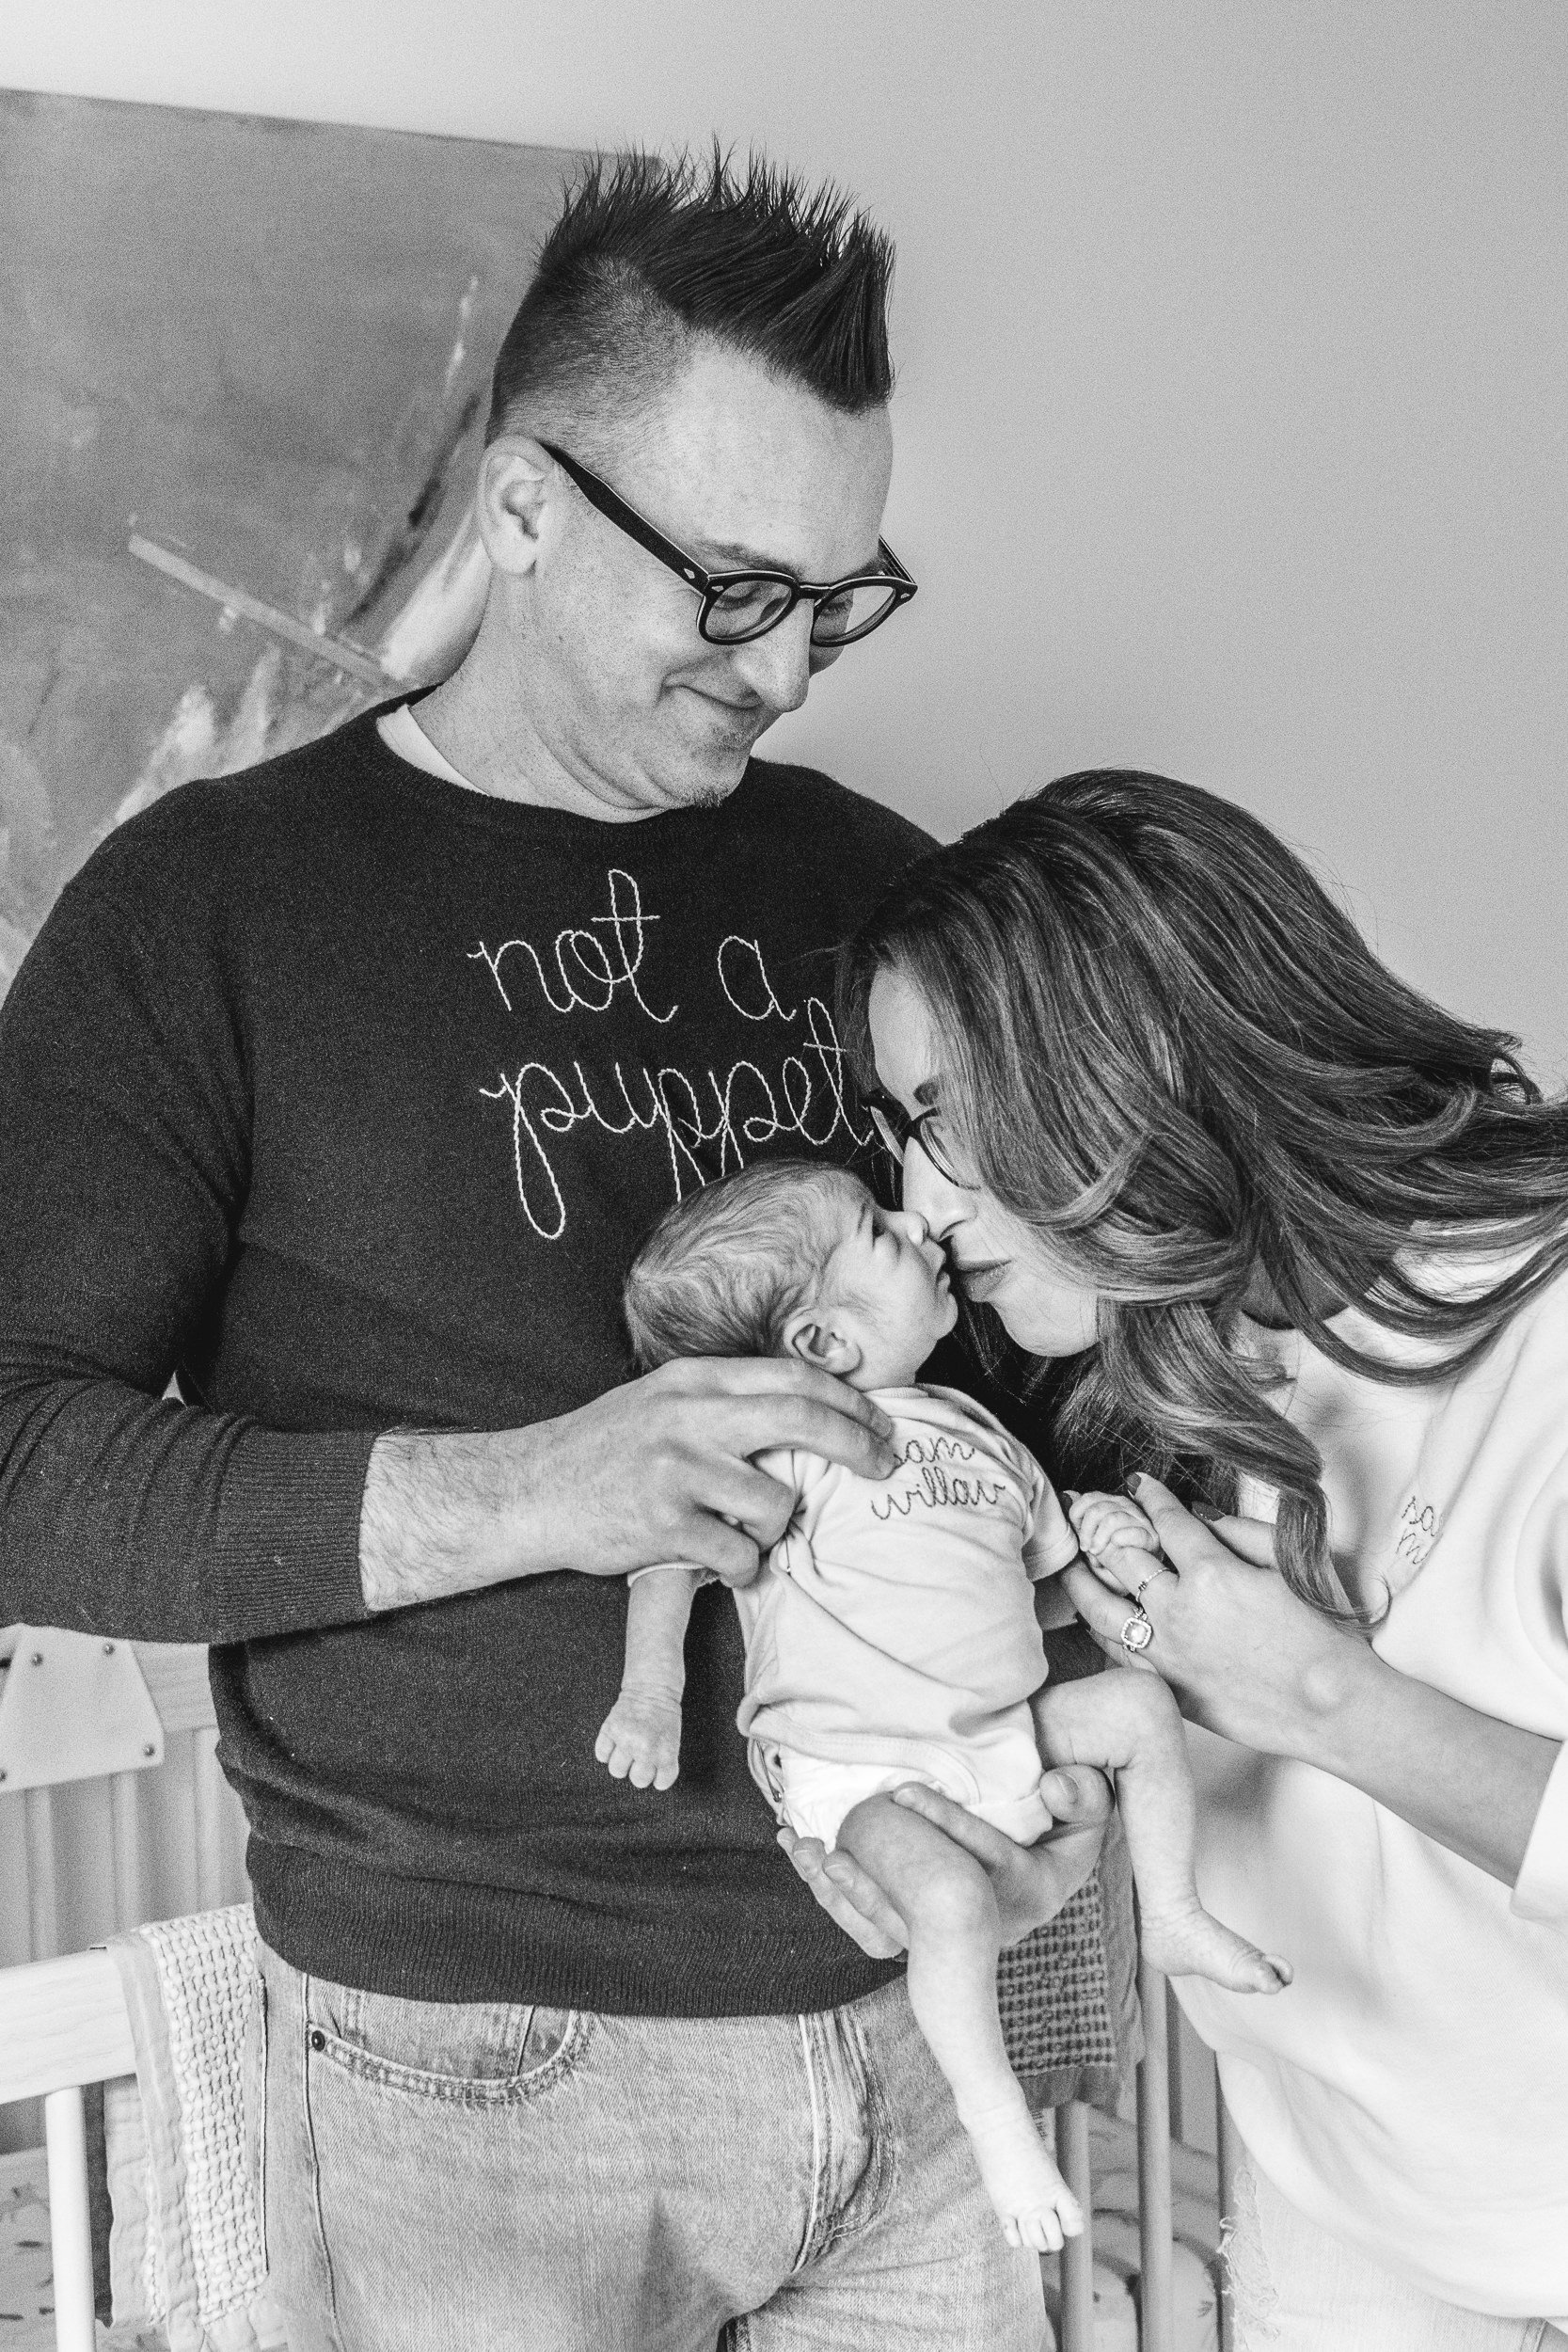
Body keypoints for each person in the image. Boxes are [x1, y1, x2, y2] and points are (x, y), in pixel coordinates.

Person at [0, 152, 1112, 2352]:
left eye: (838, 590)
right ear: (517, 508)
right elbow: (19, 1466)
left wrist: (1064, 1750)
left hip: (918, 2007)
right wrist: (537, 1487)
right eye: (726, 587)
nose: (786, 662)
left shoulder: (883, 893)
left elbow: (1035, 1397)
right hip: (469, 2072)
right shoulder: (207, 911)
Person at [801, 768, 1568, 2349]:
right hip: (1346, 2216)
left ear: (1136, 1065)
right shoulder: (1131, 1386)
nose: (917, 1210)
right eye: (899, 1141)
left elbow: (1308, 1713)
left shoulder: (1546, 1338)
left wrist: (1309, 1692)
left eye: (944, 1129)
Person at [599, 1158, 1288, 2251]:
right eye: (880, 1231)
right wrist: (651, 1692)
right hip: (861, 1769)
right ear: (822, 1344)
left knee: (1139, 1713)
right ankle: (996, 2120)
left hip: (1000, 1739)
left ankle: (1171, 1912)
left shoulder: (975, 1428)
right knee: (951, 1910)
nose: (917, 1220)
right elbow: (668, 1562)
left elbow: (1049, 1592)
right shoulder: (789, 1445)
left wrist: (1112, 1546)